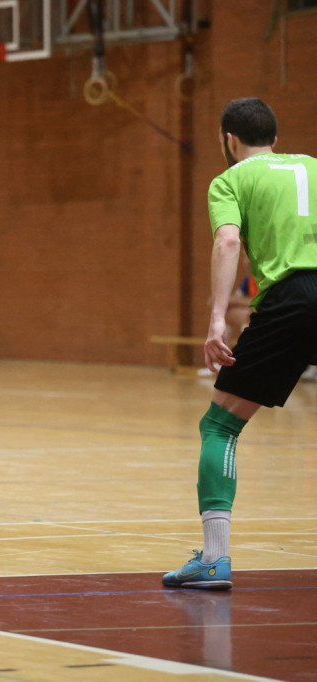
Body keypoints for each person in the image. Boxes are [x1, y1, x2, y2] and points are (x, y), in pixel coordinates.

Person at [163, 98, 317, 590]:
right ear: (275, 134)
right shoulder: (313, 167)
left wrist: (215, 322)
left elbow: (228, 243)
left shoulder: (231, 179)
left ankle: (214, 558)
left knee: (220, 425)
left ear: (229, 139)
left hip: (293, 298)